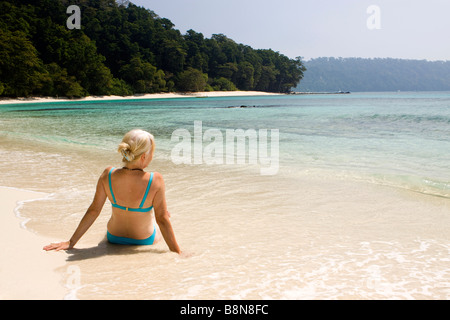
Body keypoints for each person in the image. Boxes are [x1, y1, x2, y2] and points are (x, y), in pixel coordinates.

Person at [43, 129, 181, 254]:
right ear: (144, 156)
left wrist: (71, 242)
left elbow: (94, 211)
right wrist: (178, 252)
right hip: (144, 240)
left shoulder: (108, 174)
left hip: (113, 237)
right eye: (152, 153)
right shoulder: (155, 179)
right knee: (163, 215)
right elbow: (161, 220)